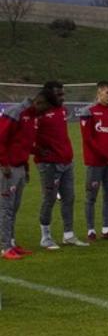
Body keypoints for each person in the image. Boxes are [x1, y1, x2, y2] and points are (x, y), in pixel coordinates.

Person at [35, 81, 88, 249]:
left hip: (66, 162)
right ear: (49, 94)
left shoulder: (63, 110)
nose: (62, 97)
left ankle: (68, 234)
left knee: (69, 198)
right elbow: (28, 135)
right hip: (49, 165)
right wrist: (38, 151)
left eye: (63, 94)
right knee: (49, 199)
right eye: (59, 94)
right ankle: (46, 236)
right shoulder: (39, 113)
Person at [80, 81, 108, 241]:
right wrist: (105, 154)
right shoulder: (88, 112)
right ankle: (91, 230)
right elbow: (88, 139)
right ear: (99, 93)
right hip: (95, 162)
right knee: (91, 196)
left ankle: (106, 229)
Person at [0, 96, 38, 259]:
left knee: (14, 207)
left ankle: (12, 242)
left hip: (20, 166)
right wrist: (4, 164)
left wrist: (26, 166)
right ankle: (5, 247)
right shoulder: (15, 112)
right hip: (9, 168)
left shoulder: (31, 116)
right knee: (6, 208)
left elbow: (23, 144)